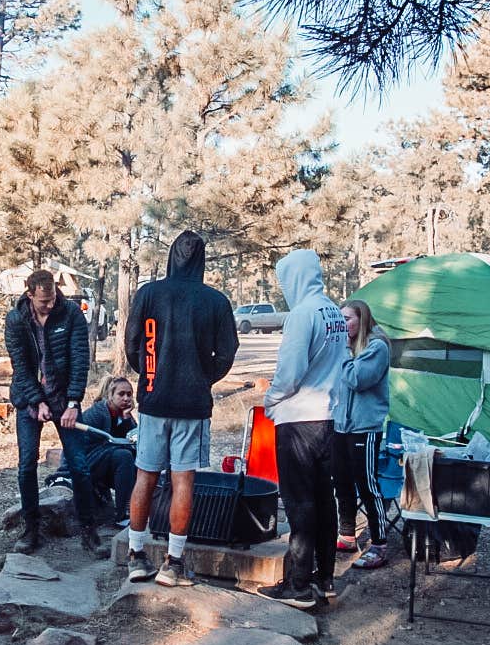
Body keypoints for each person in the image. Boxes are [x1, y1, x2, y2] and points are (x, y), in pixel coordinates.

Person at [123, 231, 239, 587]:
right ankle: (172, 564)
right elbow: (228, 352)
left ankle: (136, 556)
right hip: (192, 403)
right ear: (202, 260)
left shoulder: (149, 294)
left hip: (154, 398)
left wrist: (149, 376)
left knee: (146, 474)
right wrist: (204, 379)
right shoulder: (215, 301)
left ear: (171, 255)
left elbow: (131, 344)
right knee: (183, 479)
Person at [258, 249, 348, 609]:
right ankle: (324, 578)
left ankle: (297, 586)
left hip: (299, 420)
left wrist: (272, 399)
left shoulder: (302, 314)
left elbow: (291, 370)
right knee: (326, 501)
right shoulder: (333, 311)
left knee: (300, 503)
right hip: (330, 417)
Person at [3, 270, 100, 555]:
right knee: (26, 465)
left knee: (80, 466)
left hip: (63, 398)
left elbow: (81, 359)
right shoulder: (16, 319)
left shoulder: (70, 313)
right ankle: (31, 529)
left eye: (53, 298)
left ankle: (88, 530)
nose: (49, 305)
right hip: (29, 398)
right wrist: (37, 401)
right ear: (29, 294)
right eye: (43, 301)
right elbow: (20, 366)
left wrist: (73, 402)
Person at [332, 300, 393, 569]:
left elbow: (358, 379)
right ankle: (347, 534)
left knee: (367, 485)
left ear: (362, 320)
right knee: (342, 483)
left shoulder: (377, 347)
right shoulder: (347, 347)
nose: (344, 324)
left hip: (364, 428)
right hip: (340, 425)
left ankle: (379, 543)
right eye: (341, 319)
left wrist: (343, 350)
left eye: (348, 319)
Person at [78, 375, 139, 519]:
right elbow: (88, 445)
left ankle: (133, 507)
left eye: (129, 394)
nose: (126, 398)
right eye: (121, 394)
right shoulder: (97, 413)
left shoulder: (123, 415)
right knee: (124, 456)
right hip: (87, 461)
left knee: (138, 457)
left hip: (105, 460)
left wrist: (126, 418)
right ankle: (121, 514)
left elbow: (132, 439)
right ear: (110, 395)